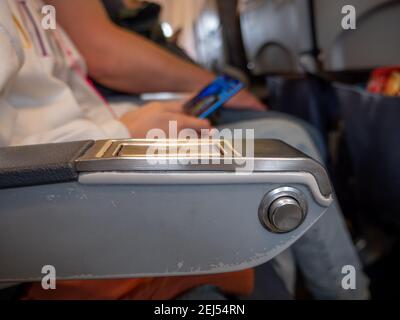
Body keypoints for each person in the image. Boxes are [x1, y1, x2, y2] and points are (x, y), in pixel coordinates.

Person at [0, 0, 369, 299]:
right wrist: (120, 131)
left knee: (281, 150)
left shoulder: (32, 11)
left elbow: (68, 106)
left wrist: (143, 117)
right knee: (275, 167)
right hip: (65, 179)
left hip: (94, 141)